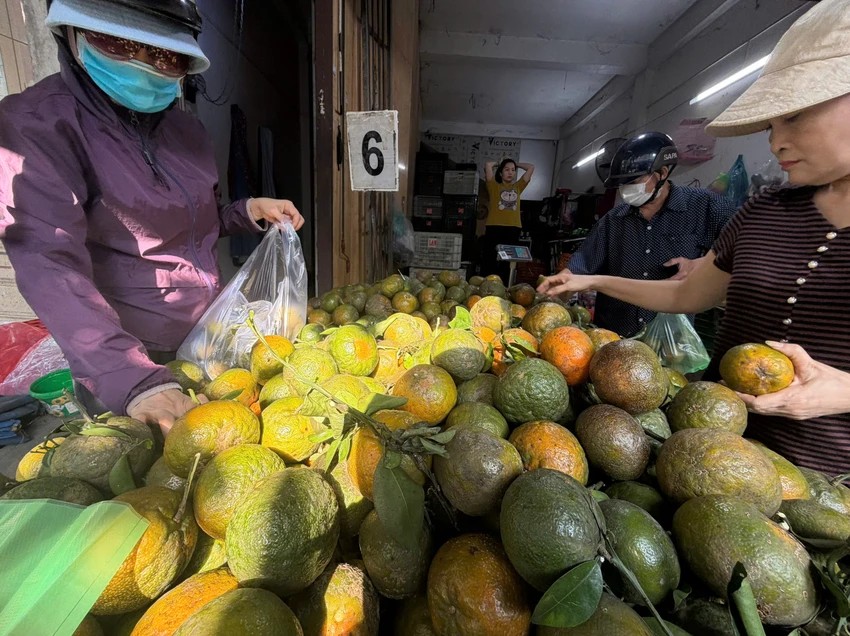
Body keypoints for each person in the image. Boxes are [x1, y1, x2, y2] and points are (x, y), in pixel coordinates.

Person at [539, 0, 850, 475]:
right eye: (771, 125)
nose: (775, 142)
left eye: (794, 117)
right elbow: (684, 294)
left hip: (828, 482)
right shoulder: (763, 212)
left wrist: (843, 391)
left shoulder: (709, 207)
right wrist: (592, 281)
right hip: (707, 452)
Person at [0, 0, 304, 435]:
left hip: (204, 336)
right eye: (120, 43)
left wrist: (246, 211)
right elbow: (49, 262)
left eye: (163, 55)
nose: (143, 63)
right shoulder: (38, 125)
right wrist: (131, 379)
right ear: (71, 35)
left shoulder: (186, 130)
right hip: (125, 355)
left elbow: (194, 222)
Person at [566, 132, 736, 337]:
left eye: (634, 181)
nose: (626, 190)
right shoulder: (613, 220)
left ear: (662, 173)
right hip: (613, 337)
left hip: (672, 339)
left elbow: (745, 252)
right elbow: (580, 265)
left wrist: (703, 265)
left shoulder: (707, 207)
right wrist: (562, 281)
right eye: (622, 184)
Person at [482, 158, 534, 281]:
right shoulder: (494, 186)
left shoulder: (518, 186)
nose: (510, 172)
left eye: (513, 170)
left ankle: (504, 286)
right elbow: (488, 164)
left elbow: (531, 167)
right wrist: (499, 163)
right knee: (490, 258)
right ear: (500, 173)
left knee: (507, 261)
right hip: (494, 226)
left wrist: (516, 164)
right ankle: (487, 284)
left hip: (513, 228)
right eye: (506, 170)